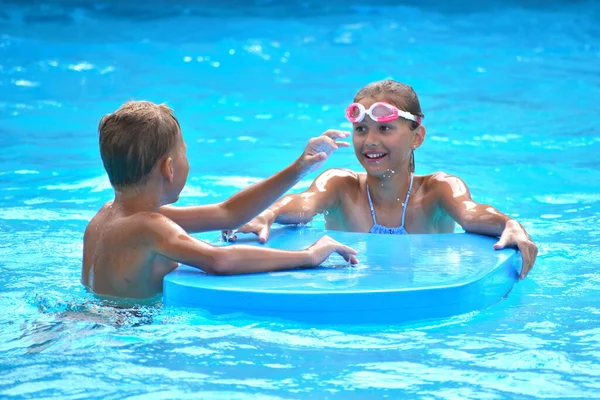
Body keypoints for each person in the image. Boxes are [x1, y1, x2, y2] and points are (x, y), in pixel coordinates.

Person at [224, 79, 538, 280]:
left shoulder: (439, 189)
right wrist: (269, 212)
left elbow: (471, 213)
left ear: (417, 138)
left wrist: (509, 223)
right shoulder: (340, 185)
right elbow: (304, 204)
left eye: (384, 129)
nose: (370, 141)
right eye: (361, 130)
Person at [82, 100, 358, 300]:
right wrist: (307, 256)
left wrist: (300, 168)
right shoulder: (150, 226)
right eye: (185, 153)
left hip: (94, 322)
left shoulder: (110, 214)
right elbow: (218, 260)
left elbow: (227, 214)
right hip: (127, 336)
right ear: (168, 168)